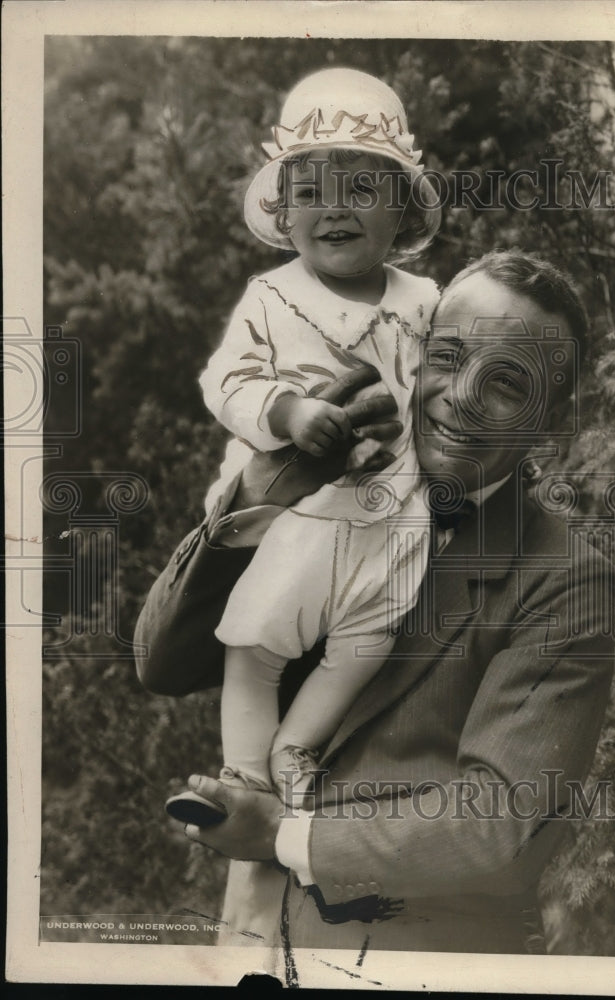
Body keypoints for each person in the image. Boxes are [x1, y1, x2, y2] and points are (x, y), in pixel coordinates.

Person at [135, 249, 615, 957]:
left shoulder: (565, 579)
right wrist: (265, 490)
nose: (461, 395)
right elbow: (164, 662)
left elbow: (498, 828)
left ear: (549, 420)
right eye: (447, 357)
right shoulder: (339, 483)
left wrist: (280, 833)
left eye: (508, 383)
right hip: (253, 940)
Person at [166, 65, 442, 822]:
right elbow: (227, 380)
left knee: (365, 645)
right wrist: (285, 412)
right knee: (253, 648)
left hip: (395, 521)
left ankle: (297, 747)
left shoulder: (426, 302)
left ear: (401, 212)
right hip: (303, 516)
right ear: (284, 213)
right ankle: (241, 779)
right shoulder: (273, 296)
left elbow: (453, 387)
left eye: (361, 189)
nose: (335, 210)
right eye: (312, 192)